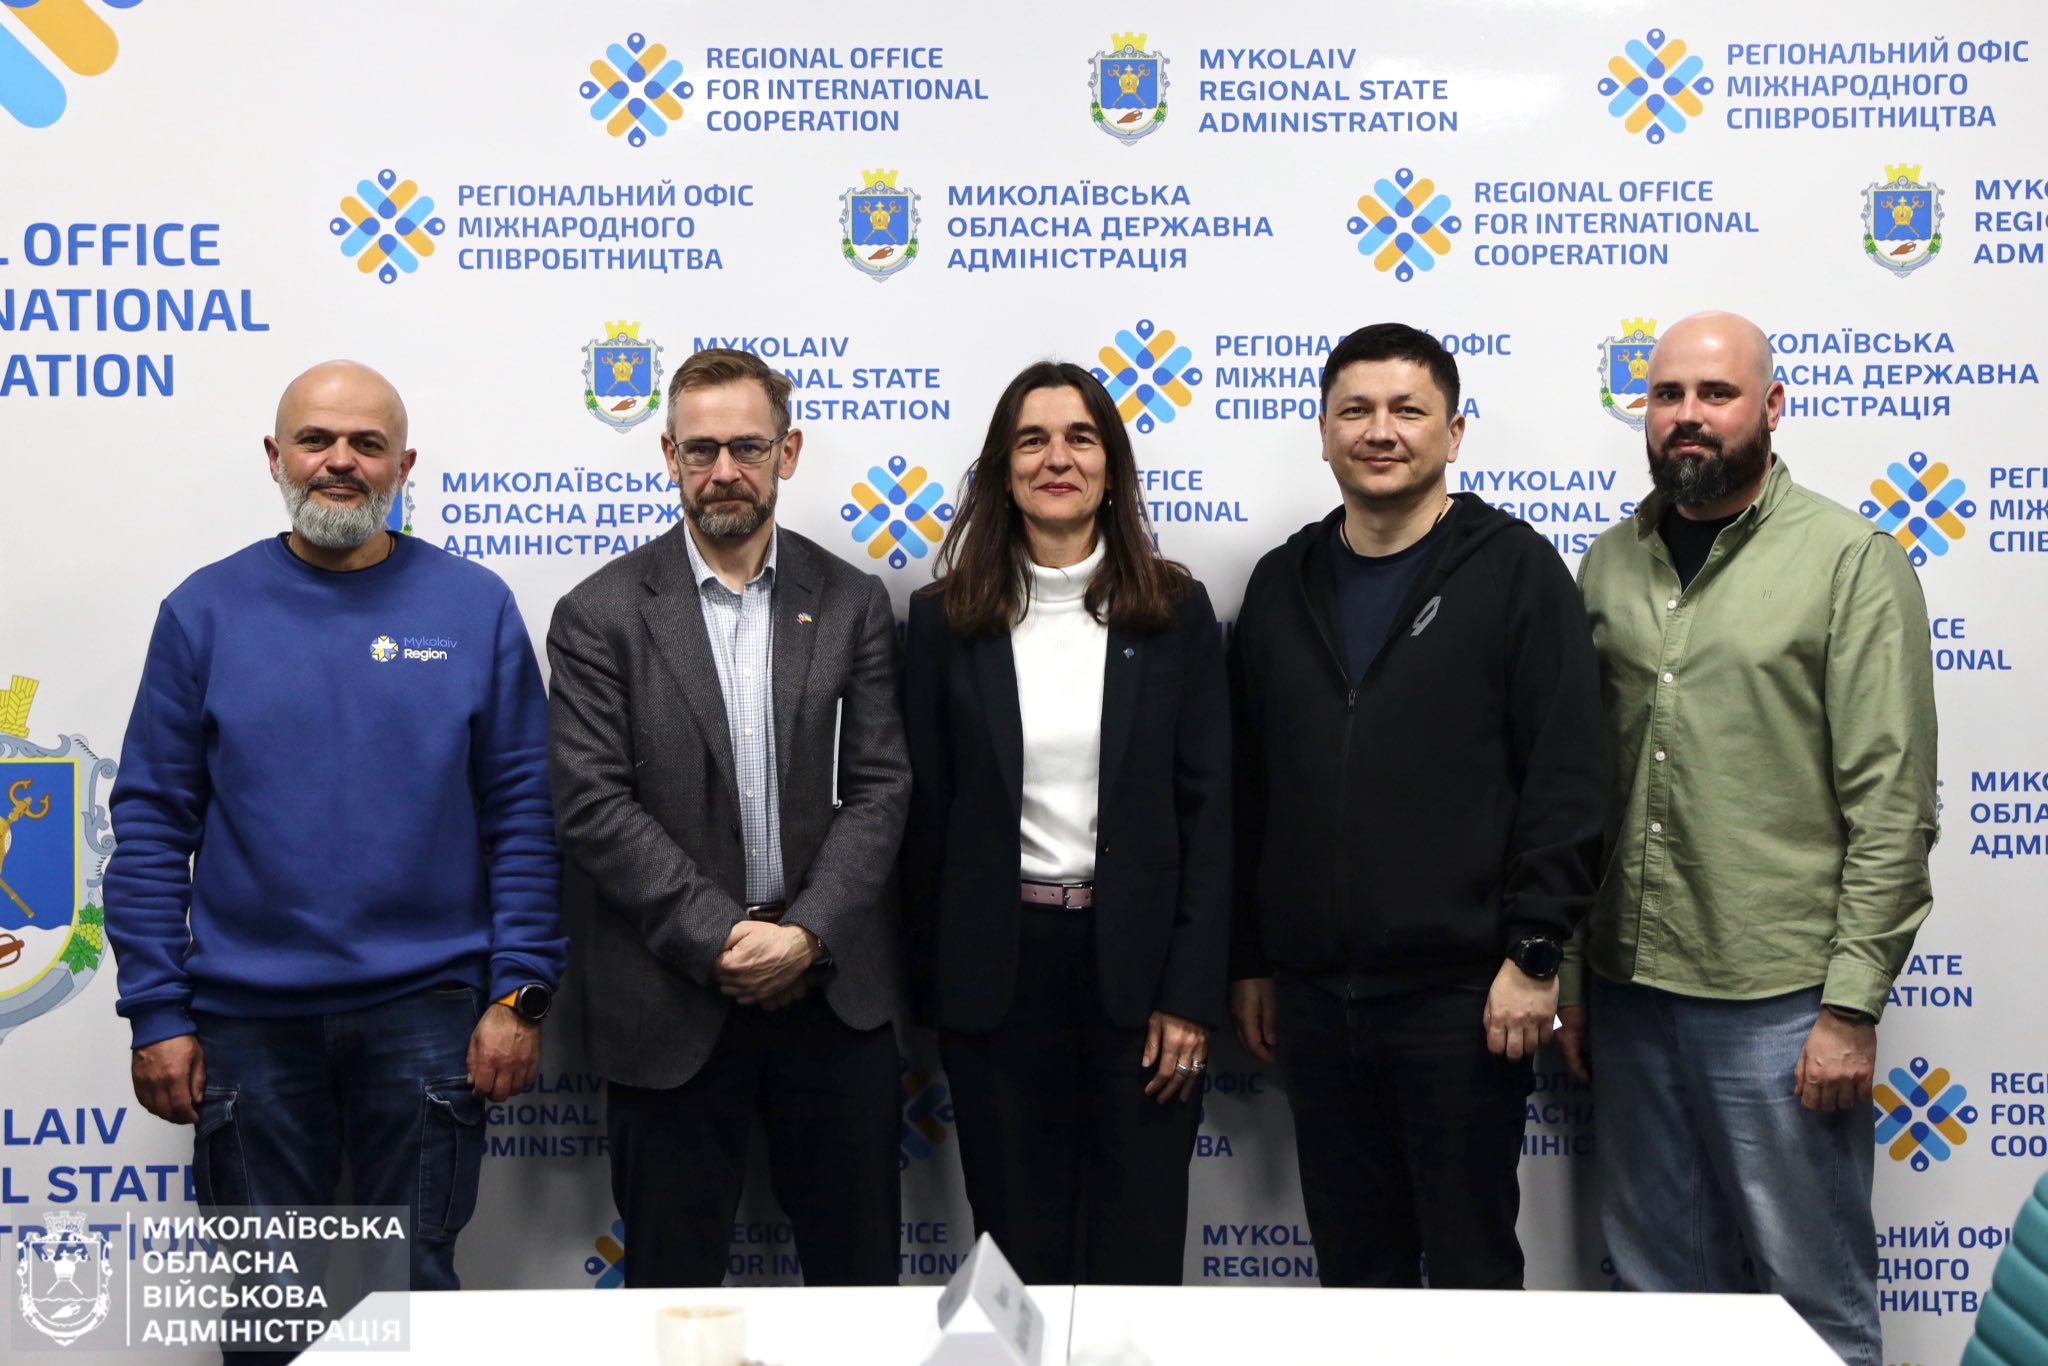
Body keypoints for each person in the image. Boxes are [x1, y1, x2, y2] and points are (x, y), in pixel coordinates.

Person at [103, 361, 564, 1351]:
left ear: (404, 464)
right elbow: (151, 824)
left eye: (366, 444)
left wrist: (518, 993)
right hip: (246, 1024)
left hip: (431, 1013)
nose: (339, 461)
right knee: (269, 1315)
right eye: (316, 440)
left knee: (413, 1300)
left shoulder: (474, 606)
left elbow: (525, 817)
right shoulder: (203, 611)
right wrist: (156, 1008)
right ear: (277, 457)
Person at [1563, 311, 1936, 1365]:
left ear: (1770, 407)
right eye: (1666, 394)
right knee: (1657, 1298)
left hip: (1781, 1003)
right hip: (1631, 993)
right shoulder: (1607, 564)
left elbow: (1892, 803)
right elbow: (1582, 790)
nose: (1687, 416)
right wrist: (1576, 980)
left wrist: (1849, 1008)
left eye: (1715, 394)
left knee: (1812, 1307)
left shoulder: (1849, 561)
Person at [1228, 323, 1605, 1289]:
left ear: (1455, 432)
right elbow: (1249, 790)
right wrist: (1253, 960)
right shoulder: (1280, 584)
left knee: (1473, 1273)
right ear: (1323, 432)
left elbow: (1567, 776)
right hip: (1314, 1002)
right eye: (1355, 410)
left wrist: (1535, 955)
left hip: (1464, 1002)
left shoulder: (1516, 570)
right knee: (1356, 1279)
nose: (1380, 431)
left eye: (1408, 409)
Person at [547, 347, 911, 1288]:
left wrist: (805, 936)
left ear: (788, 452)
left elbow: (880, 787)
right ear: (668, 455)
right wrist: (725, 940)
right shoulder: (598, 614)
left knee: (860, 1295)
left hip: (831, 997)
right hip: (669, 998)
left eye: (747, 447)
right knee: (672, 1304)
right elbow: (592, 805)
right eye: (700, 449)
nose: (724, 472)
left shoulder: (853, 601)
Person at [902, 360, 1229, 1285]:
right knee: (1017, 1255)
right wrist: (936, 988)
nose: (1057, 459)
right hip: (998, 978)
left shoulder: (1174, 611)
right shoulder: (943, 621)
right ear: (1001, 471)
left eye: (1080, 438)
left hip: (1142, 976)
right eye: (1032, 440)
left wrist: (1190, 993)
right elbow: (923, 819)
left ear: (1110, 465)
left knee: (1139, 1251)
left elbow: (1210, 814)